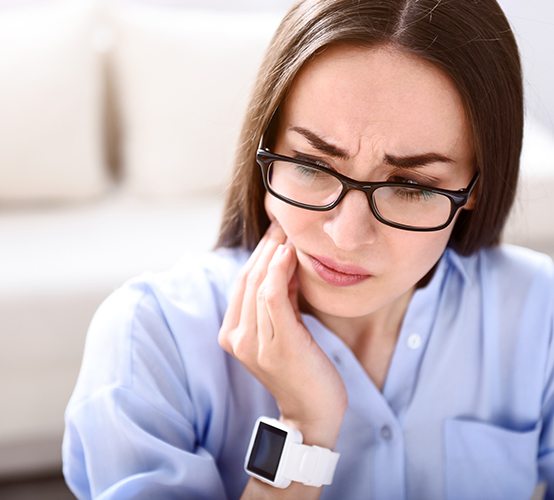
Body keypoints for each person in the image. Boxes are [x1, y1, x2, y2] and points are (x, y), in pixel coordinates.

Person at [62, 0, 554, 498]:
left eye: (411, 186)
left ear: (475, 187)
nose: (345, 235)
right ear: (266, 148)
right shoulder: (151, 339)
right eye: (313, 166)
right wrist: (302, 428)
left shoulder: (540, 315)